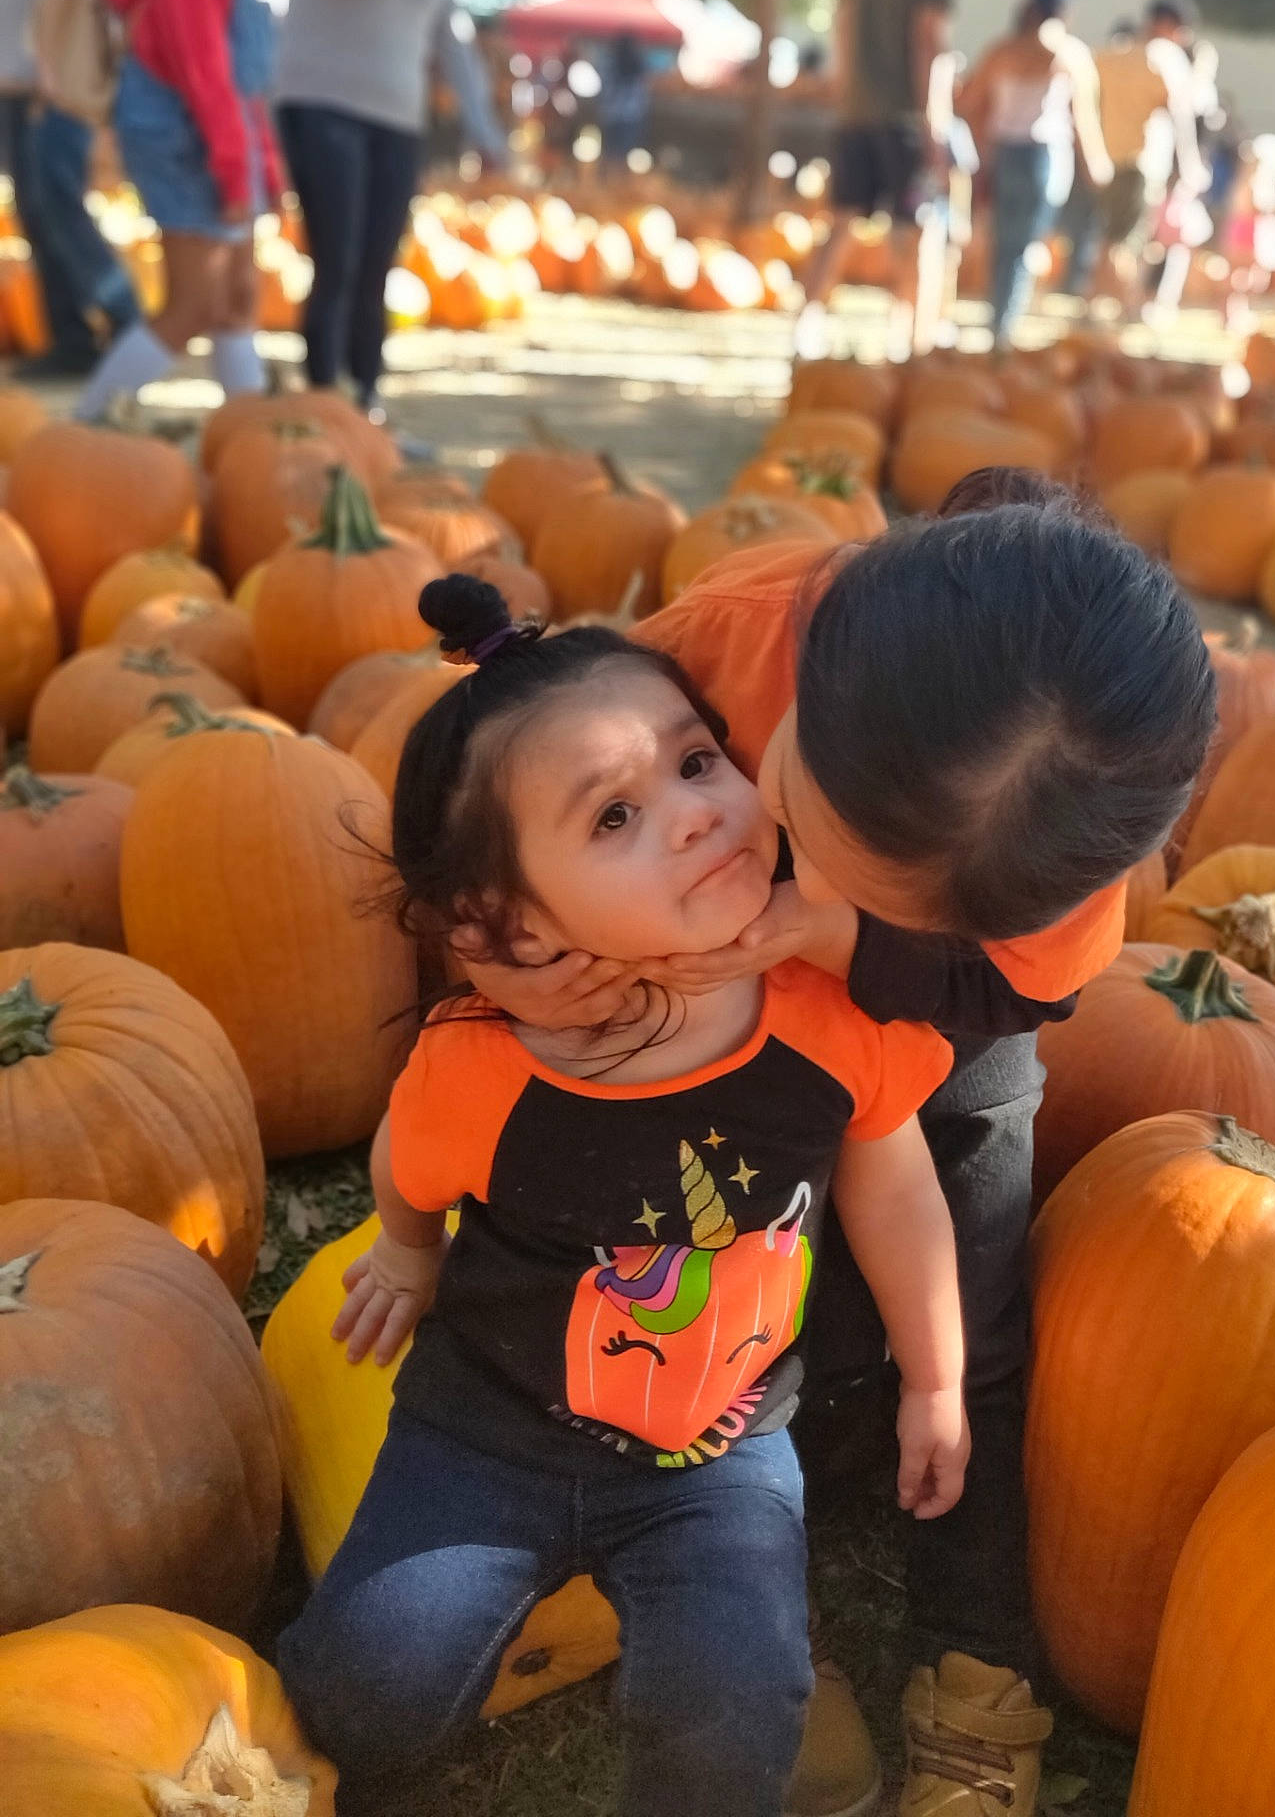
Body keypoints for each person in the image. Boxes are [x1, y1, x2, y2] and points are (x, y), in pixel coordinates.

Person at [457, 477, 1217, 1817]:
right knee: (708, 1307)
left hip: (936, 1024)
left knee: (970, 1319)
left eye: (872, 873)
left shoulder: (1057, 869)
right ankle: (757, 1627)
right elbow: (562, 789)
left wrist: (840, 936)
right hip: (713, 1009)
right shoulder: (733, 635)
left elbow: (1005, 1000)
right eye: (797, 792)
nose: (793, 839)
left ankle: (977, 1655)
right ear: (819, 655)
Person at [276, 574, 967, 1817]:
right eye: (614, 816)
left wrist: (937, 1376)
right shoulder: (481, 1070)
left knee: (737, 1705)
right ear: (508, 930)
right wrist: (406, 1252)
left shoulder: (826, 1020)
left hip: (721, 1446)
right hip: (485, 1429)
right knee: (366, 1689)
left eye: (699, 761)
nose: (699, 814)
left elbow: (900, 1186)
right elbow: (404, 1158)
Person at [275, 0, 505, 419]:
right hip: (321, 102)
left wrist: (484, 128)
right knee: (338, 261)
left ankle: (368, 409)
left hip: (396, 115)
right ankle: (326, 411)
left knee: (378, 268)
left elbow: (448, 31)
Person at [72, 0, 278, 421]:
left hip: (214, 112)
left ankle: (251, 448)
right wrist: (228, 151)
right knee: (193, 302)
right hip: (180, 115)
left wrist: (253, 147)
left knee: (238, 294)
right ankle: (84, 432)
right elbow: (190, 37)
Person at [796, 0, 956, 361]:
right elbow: (926, 34)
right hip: (903, 112)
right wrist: (933, 124)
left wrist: (846, 91)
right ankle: (909, 346)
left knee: (841, 220)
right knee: (916, 231)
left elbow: (841, 19)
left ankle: (806, 327)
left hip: (856, 107)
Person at [0, 0, 136, 379]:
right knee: (32, 206)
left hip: (56, 79)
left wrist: (92, 60)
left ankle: (129, 319)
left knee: (59, 199)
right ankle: (72, 340)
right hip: (5, 74)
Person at [955, 0, 1112, 345]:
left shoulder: (1002, 50)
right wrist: (1096, 166)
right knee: (1025, 244)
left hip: (1004, 154)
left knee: (1002, 240)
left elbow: (971, 103)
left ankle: (999, 317)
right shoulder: (1070, 54)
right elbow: (1083, 120)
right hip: (1044, 158)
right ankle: (1004, 325)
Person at [1056, 0, 1207, 305]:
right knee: (1124, 245)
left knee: (1104, 241)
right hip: (1141, 164)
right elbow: (1181, 114)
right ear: (1168, 25)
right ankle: (1125, 308)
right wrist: (1189, 164)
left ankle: (1095, 306)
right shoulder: (1163, 58)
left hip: (1103, 162)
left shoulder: (1106, 56)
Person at [598, 31, 650, 174]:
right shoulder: (637, 65)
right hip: (630, 116)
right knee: (624, 152)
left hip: (613, 115)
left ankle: (612, 178)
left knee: (612, 152)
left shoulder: (610, 64)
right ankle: (620, 178)